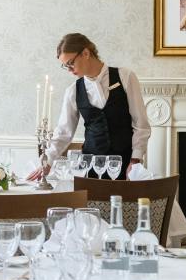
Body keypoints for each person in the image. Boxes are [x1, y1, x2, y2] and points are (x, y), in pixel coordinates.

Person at [45, 32, 150, 177]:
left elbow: (141, 124)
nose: (69, 70)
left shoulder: (126, 77)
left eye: (70, 63)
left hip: (125, 166)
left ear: (86, 53)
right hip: (89, 169)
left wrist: (135, 160)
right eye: (65, 66)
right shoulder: (73, 91)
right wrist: (47, 161)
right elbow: (64, 132)